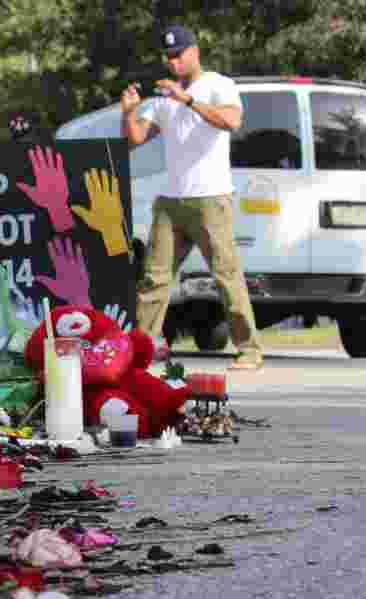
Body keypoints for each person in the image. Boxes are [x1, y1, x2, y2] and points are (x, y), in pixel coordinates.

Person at [121, 25, 264, 370]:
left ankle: (249, 350)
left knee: (226, 275)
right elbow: (136, 138)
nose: (174, 62)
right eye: (169, 57)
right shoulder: (162, 98)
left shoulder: (219, 85)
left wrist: (186, 100)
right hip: (171, 201)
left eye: (179, 55)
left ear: (195, 51)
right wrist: (128, 112)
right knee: (154, 280)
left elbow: (231, 121)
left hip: (211, 198)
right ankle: (140, 352)